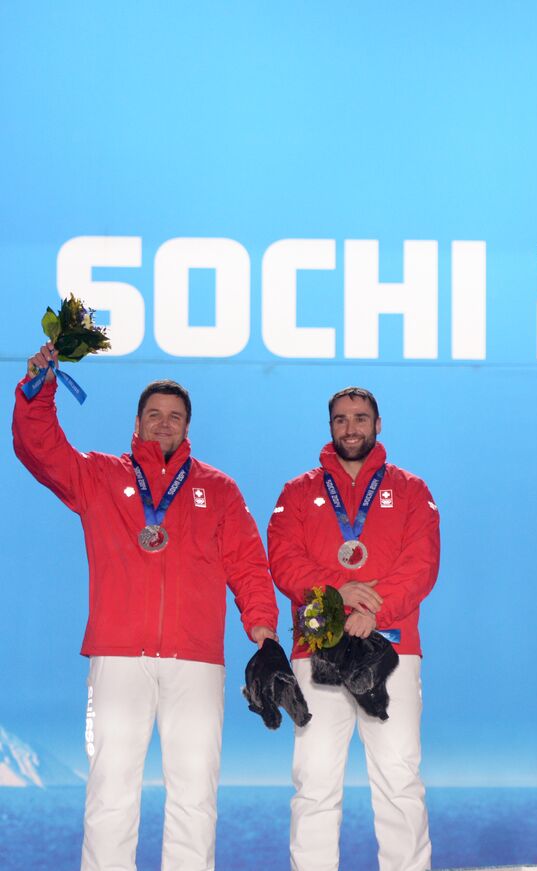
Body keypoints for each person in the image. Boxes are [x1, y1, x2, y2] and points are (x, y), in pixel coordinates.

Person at [13, 342, 280, 871]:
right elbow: (40, 449)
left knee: (195, 792)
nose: (164, 424)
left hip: (197, 662)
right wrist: (39, 390)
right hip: (118, 658)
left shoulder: (218, 490)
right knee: (111, 788)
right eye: (154, 415)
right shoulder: (99, 476)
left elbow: (249, 565)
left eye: (174, 417)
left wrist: (265, 633)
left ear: (187, 427)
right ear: (137, 422)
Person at [267, 387, 441, 871]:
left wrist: (374, 613)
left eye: (361, 418)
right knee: (315, 780)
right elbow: (282, 561)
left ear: (378, 424)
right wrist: (337, 597)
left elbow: (422, 564)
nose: (351, 427)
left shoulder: (411, 489)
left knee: (398, 778)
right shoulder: (297, 492)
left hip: (391, 648)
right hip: (317, 649)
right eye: (341, 419)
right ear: (330, 428)